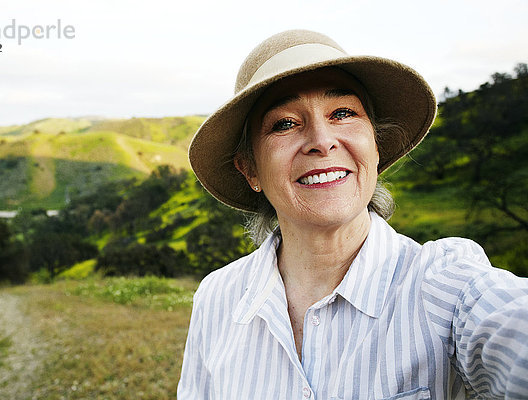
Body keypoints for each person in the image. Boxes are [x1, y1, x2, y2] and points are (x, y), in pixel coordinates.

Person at [178, 30, 528, 399]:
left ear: (375, 146)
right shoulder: (216, 298)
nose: (322, 140)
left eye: (343, 113)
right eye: (285, 123)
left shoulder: (444, 285)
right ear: (250, 169)